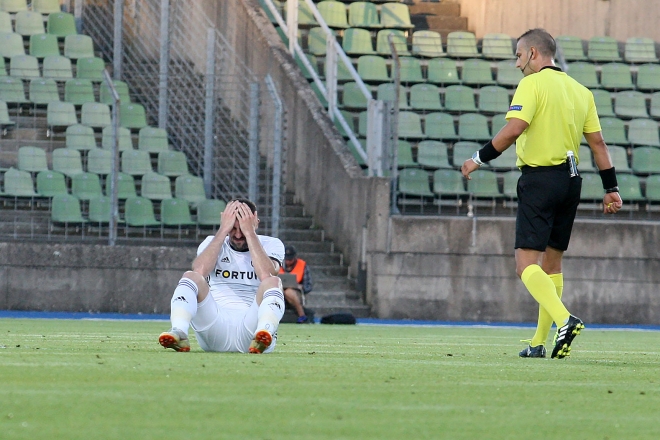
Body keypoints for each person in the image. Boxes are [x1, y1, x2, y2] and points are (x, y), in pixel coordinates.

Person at [460, 28, 623, 359]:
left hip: (540, 180)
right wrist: (611, 189)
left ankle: (566, 320)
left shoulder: (531, 84)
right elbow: (598, 145)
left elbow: (514, 129)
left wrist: (478, 158)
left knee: (524, 265)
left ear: (534, 53)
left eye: (518, 56)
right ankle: (538, 343)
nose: (517, 64)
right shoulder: (581, 91)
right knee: (552, 263)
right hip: (572, 181)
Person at [158, 198, 286, 354]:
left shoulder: (272, 244)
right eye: (233, 228)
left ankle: (264, 333)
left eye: (243, 228)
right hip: (215, 327)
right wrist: (223, 230)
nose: (238, 235)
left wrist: (250, 233)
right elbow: (199, 271)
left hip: (252, 328)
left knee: (273, 281)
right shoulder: (212, 242)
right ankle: (179, 332)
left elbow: (266, 274)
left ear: (256, 222)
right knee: (190, 276)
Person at [279, 245, 313, 323]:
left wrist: (300, 287)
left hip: (297, 294)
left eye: (290, 259)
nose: (288, 261)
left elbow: (308, 286)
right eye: (286, 259)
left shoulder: (302, 265)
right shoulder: (278, 265)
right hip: (280, 292)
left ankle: (302, 315)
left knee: (289, 292)